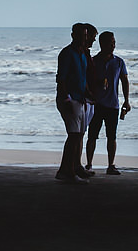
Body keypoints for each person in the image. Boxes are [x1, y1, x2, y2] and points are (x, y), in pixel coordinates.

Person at [85, 31, 130, 175]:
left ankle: (111, 165)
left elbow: (124, 81)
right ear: (102, 43)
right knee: (92, 136)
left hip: (113, 105)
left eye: (114, 42)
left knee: (112, 136)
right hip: (96, 104)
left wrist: (127, 101)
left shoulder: (119, 62)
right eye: (110, 42)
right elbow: (87, 82)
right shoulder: (93, 61)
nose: (113, 45)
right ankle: (89, 164)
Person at [55, 23, 93, 183]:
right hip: (70, 99)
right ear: (73, 36)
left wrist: (88, 93)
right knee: (73, 136)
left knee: (78, 136)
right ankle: (65, 172)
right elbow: (61, 78)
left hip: (81, 99)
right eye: (81, 36)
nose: (84, 39)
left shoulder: (82, 54)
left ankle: (74, 168)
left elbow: (82, 78)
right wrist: (66, 99)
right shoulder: (66, 53)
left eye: (86, 36)